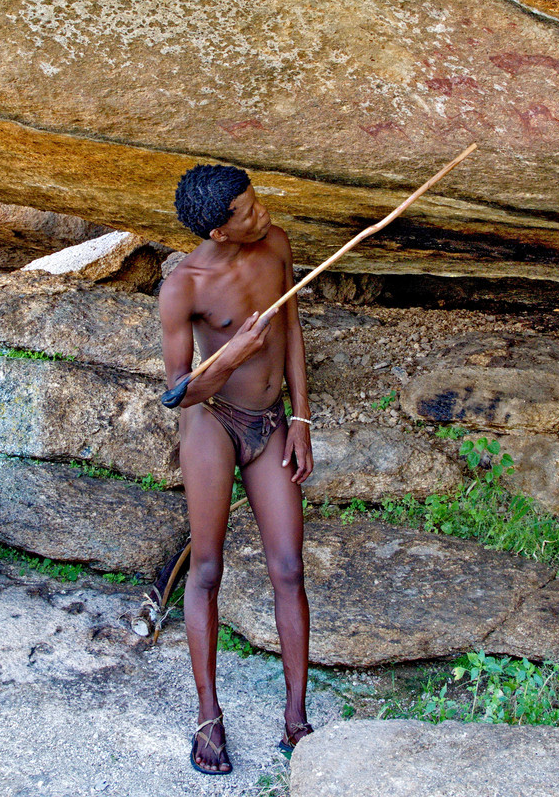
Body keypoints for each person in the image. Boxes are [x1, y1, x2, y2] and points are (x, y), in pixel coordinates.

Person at [159, 164, 315, 774]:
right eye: (246, 214)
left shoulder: (275, 245)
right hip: (213, 425)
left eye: (256, 202)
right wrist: (231, 357)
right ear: (220, 233)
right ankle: (208, 717)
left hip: (270, 420)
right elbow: (179, 393)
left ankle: (297, 718)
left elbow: (293, 327)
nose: (262, 215)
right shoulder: (185, 286)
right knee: (207, 568)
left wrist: (300, 419)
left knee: (288, 565)